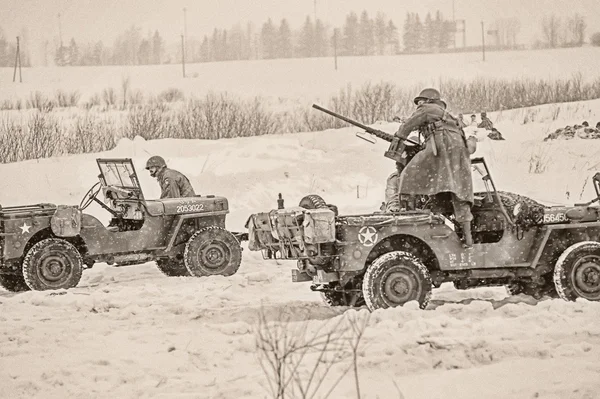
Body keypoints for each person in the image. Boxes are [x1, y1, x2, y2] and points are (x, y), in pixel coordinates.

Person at [394, 88, 474, 248]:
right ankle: (468, 238)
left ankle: (407, 216)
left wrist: (398, 139)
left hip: (442, 149)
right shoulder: (447, 116)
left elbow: (408, 124)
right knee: (459, 193)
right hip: (459, 154)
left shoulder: (428, 109)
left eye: (421, 101)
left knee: (408, 176)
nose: (419, 105)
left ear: (429, 101)